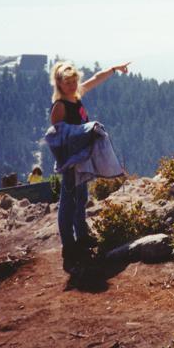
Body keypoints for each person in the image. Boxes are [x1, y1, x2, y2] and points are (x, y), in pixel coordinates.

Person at [49, 60, 130, 271]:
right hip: (70, 161)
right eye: (68, 82)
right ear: (59, 83)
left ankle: (82, 237)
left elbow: (95, 79)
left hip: (81, 157)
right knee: (68, 202)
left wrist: (114, 69)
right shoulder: (60, 106)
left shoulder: (76, 96)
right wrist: (83, 133)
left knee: (81, 199)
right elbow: (57, 137)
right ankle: (69, 246)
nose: (72, 85)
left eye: (74, 81)